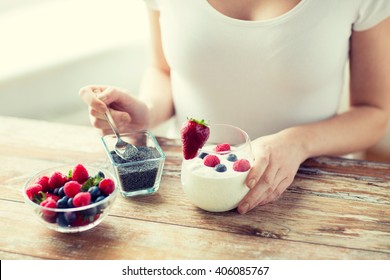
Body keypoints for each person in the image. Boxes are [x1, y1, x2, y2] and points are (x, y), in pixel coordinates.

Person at [80, 0, 390, 214]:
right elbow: (163, 71)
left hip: (315, 193)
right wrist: (146, 112)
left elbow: (374, 112)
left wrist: (298, 142)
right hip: (192, 186)